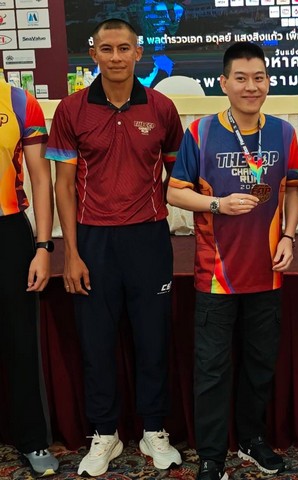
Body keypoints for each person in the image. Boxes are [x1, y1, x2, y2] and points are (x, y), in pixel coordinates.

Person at [45, 18, 183, 477]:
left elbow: (177, 177)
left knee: (153, 340)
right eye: (107, 49)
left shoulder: (162, 108)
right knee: (97, 343)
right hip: (93, 241)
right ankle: (105, 432)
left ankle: (154, 429)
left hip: (149, 239)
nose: (117, 57)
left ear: (138, 53)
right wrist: (71, 252)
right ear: (94, 54)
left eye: (125, 48)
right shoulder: (71, 110)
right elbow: (64, 185)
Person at [166, 41, 298, 480]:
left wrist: (288, 235)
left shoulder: (284, 133)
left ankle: (251, 440)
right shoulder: (201, 132)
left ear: (268, 82)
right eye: (241, 78)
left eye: (259, 78)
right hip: (216, 276)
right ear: (224, 83)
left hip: (268, 273)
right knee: (212, 370)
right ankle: (211, 456)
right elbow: (174, 192)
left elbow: (293, 188)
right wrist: (217, 205)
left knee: (260, 365)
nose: (251, 86)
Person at [0, 77, 59, 476]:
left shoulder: (20, 102)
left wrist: (43, 246)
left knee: (20, 341)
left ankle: (33, 440)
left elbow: (40, 178)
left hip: (8, 232)